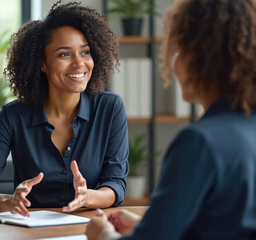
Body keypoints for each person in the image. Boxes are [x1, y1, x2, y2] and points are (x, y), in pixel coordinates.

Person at [86, 0, 256, 239]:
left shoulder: (200, 142)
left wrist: (102, 234)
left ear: (202, 58)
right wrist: (145, 227)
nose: (173, 65)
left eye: (180, 51)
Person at [0, 2, 128, 217]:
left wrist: (89, 197)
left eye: (85, 52)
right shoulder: (13, 117)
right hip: (30, 230)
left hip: (89, 228)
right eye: (64, 54)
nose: (79, 63)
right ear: (42, 63)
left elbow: (115, 183)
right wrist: (9, 201)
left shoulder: (110, 108)